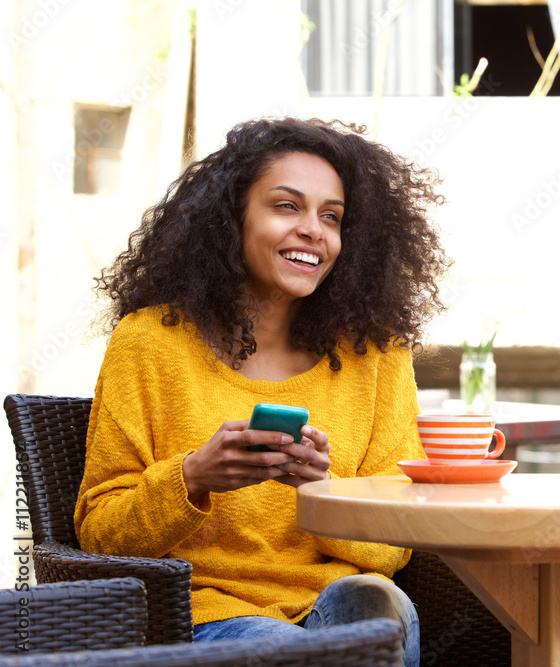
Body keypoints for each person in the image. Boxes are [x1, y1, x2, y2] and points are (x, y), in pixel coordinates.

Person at [73, 117, 449, 666]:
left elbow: (391, 546)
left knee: (373, 599)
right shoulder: (151, 343)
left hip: (339, 609)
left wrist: (321, 488)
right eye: (286, 206)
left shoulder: (378, 355)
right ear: (232, 219)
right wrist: (194, 478)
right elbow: (100, 536)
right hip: (206, 617)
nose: (313, 230)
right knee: (296, 651)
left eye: (332, 217)